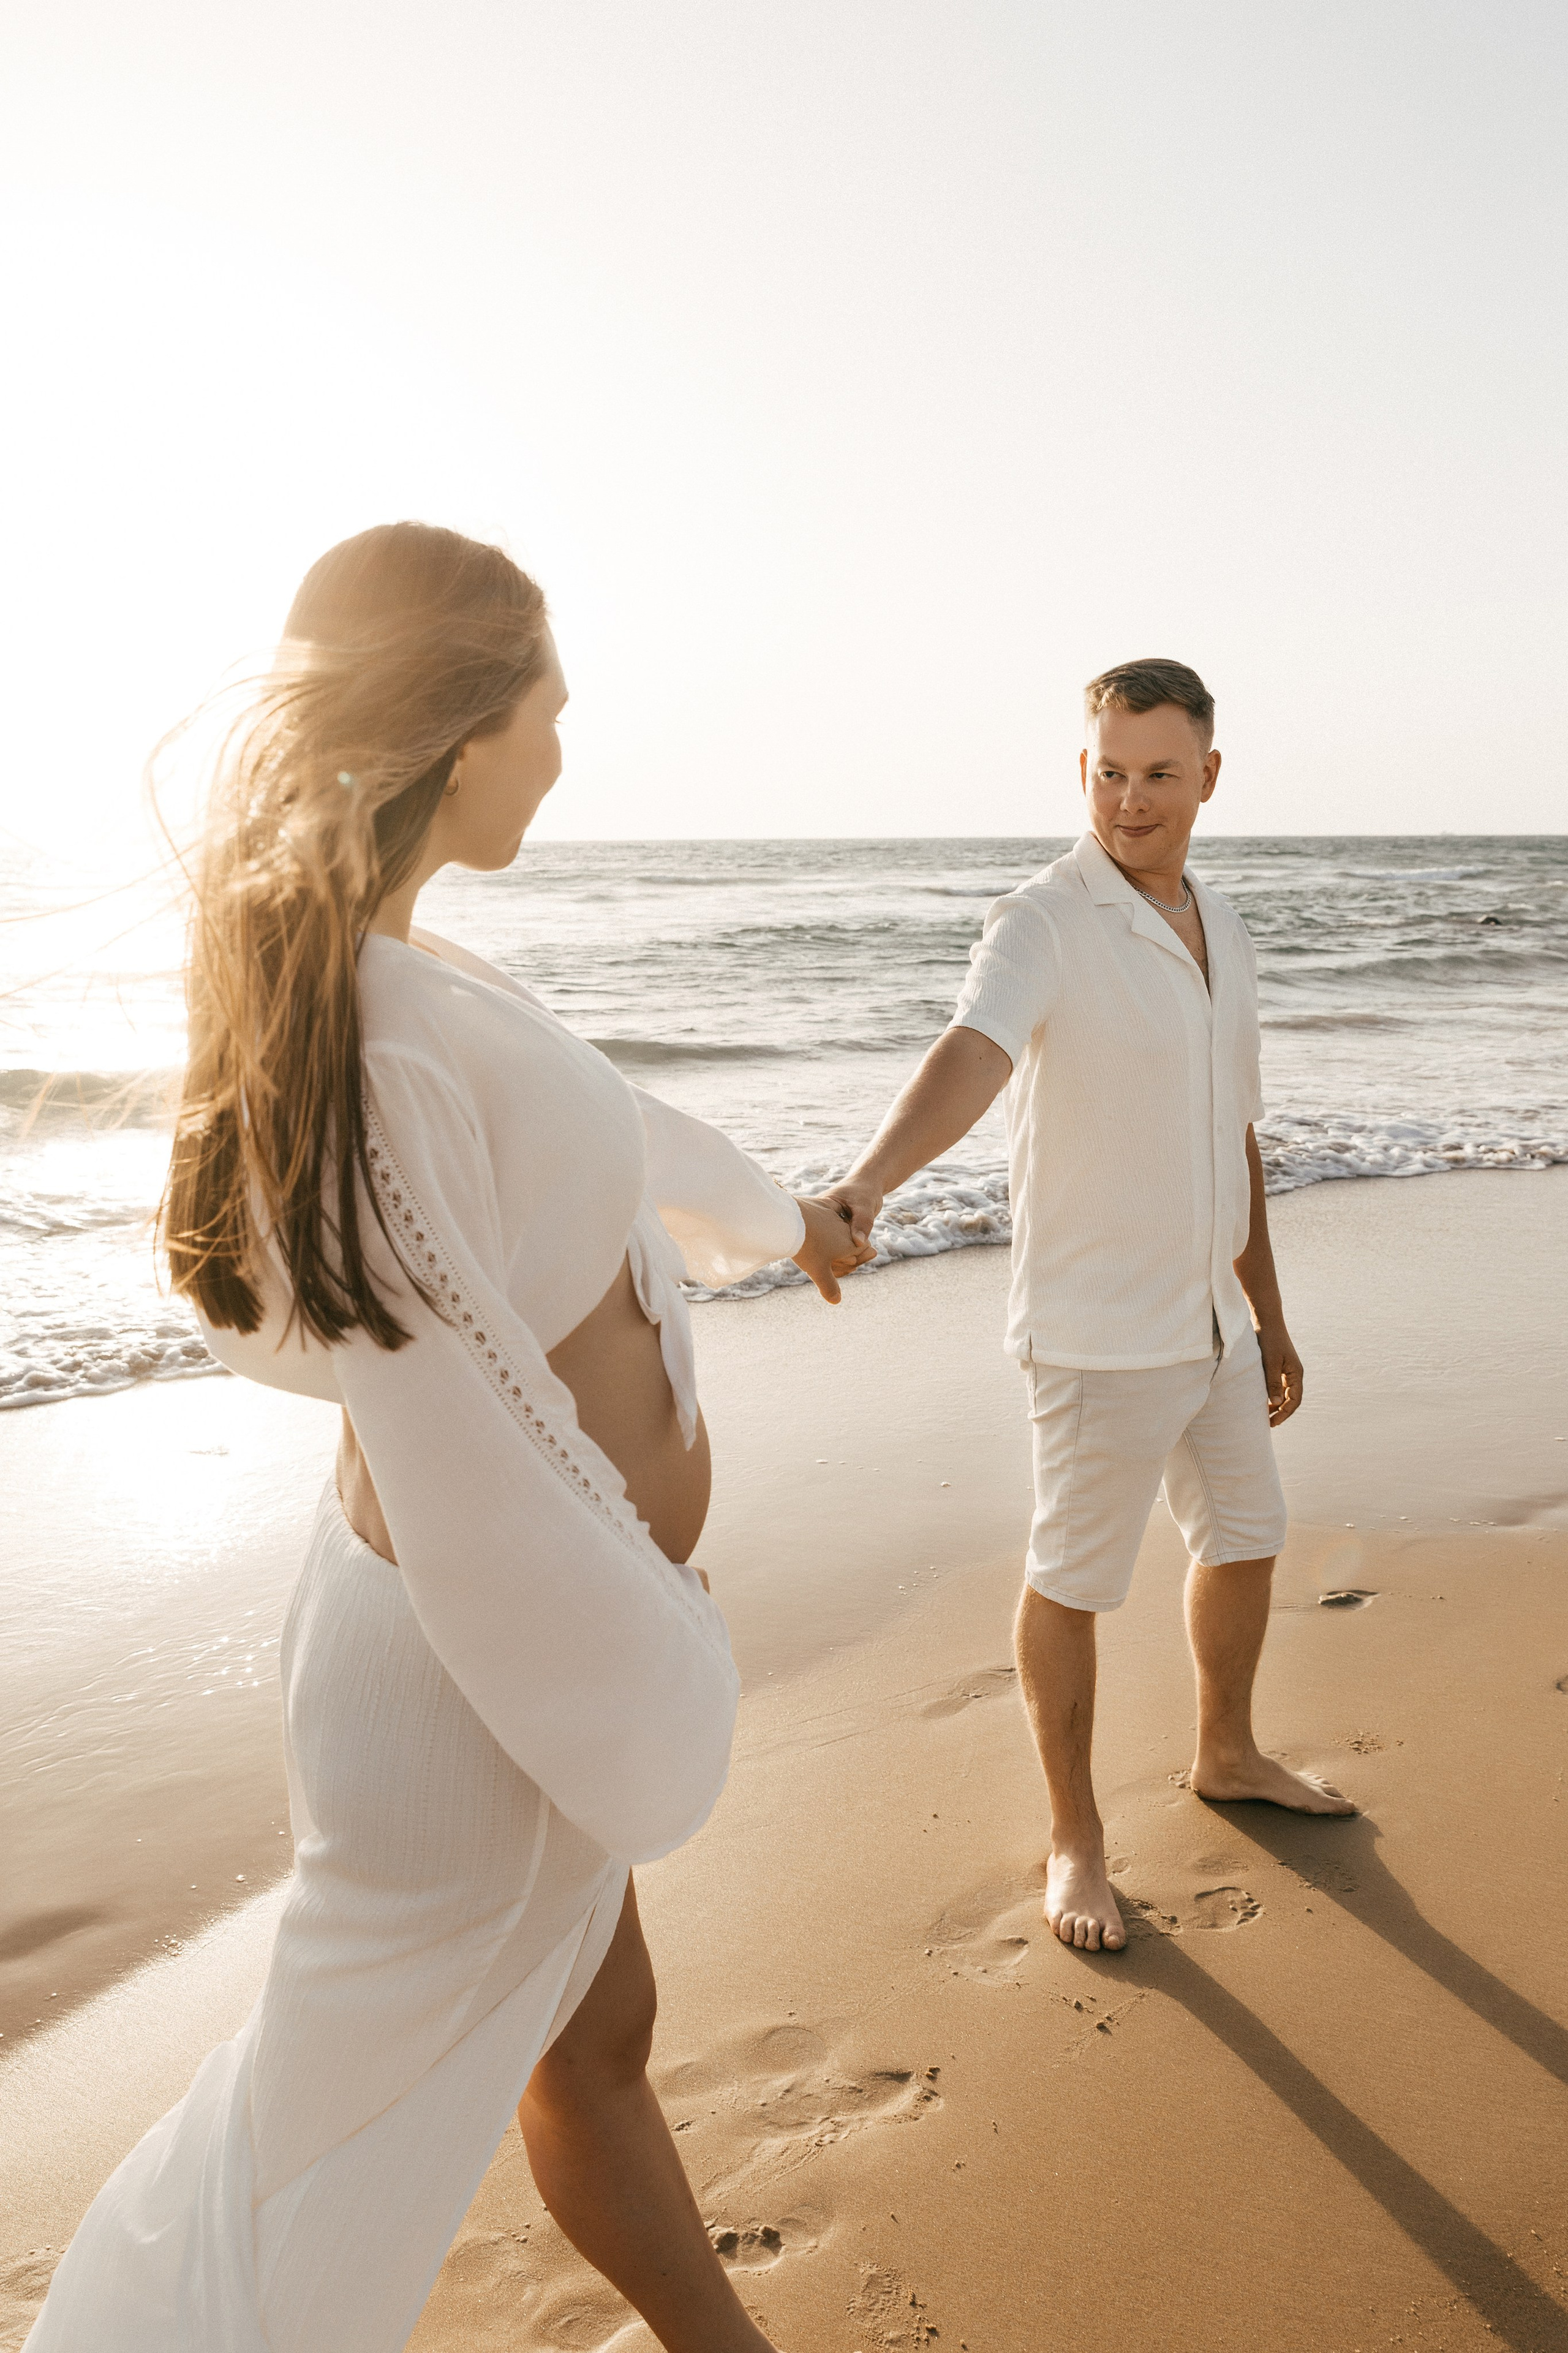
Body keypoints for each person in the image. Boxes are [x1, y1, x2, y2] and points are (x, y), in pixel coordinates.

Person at [25, 523, 869, 2353]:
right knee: (323, 2168)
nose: (564, 751)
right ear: (465, 727)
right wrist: (660, 1646)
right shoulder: (384, 1032)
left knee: (593, 2040)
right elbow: (457, 1437)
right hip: (476, 1683)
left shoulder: (423, 971)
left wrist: (787, 1219)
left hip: (488, 1653)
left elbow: (619, 1136)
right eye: (550, 709)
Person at [825, 657, 1353, 1958]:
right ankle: (1075, 1838)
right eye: (1109, 772)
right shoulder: (1041, 922)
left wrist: (1267, 1312)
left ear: (1208, 776)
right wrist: (868, 1183)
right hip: (1094, 1331)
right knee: (1071, 1580)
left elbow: (1235, 1133)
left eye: (1159, 773)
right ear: (1083, 770)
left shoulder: (1222, 926)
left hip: (1212, 1323)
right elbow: (970, 1054)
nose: (1129, 800)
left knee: (1246, 1536)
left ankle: (1225, 1752)